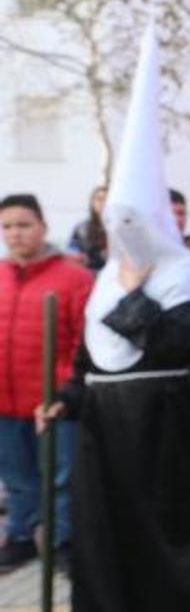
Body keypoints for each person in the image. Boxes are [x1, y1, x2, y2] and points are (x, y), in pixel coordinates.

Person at [44, 26, 190, 612]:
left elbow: (176, 343)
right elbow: (88, 355)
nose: (123, 235)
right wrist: (67, 400)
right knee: (108, 538)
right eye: (113, 224)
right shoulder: (106, 276)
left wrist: (134, 296)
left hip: (163, 421)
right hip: (107, 425)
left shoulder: (185, 273)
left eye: (134, 223)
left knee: (165, 531)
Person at [0, 194, 91, 575]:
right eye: (7, 227)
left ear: (43, 227)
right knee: (17, 476)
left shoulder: (74, 277)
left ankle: (62, 541)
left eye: (23, 225)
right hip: (6, 400)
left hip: (52, 401)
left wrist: (65, 393)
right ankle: (21, 536)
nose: (15, 234)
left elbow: (83, 344)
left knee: (60, 476)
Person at [67, 185, 108, 271]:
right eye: (99, 199)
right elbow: (71, 253)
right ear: (92, 202)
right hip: (88, 275)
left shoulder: (120, 229)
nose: (103, 203)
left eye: (106, 199)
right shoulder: (81, 229)